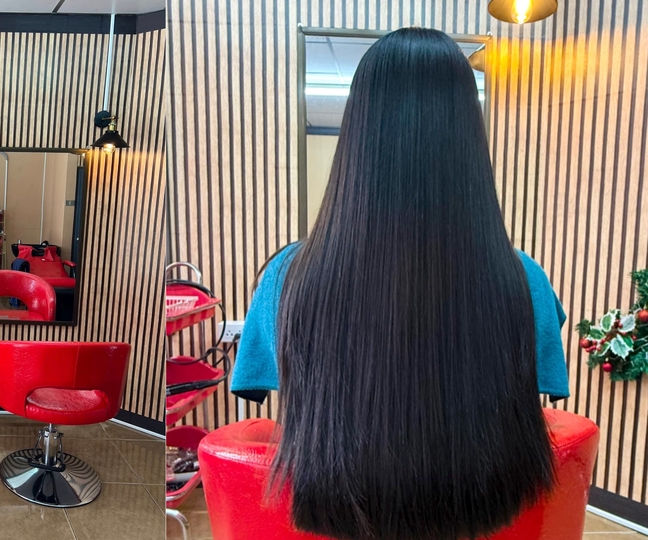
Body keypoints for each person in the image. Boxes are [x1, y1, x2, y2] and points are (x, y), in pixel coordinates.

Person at [230, 28, 569, 540]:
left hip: (340, 522)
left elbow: (263, 393)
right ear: (469, 134)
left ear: (357, 130)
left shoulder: (288, 277)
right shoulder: (525, 281)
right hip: (480, 521)